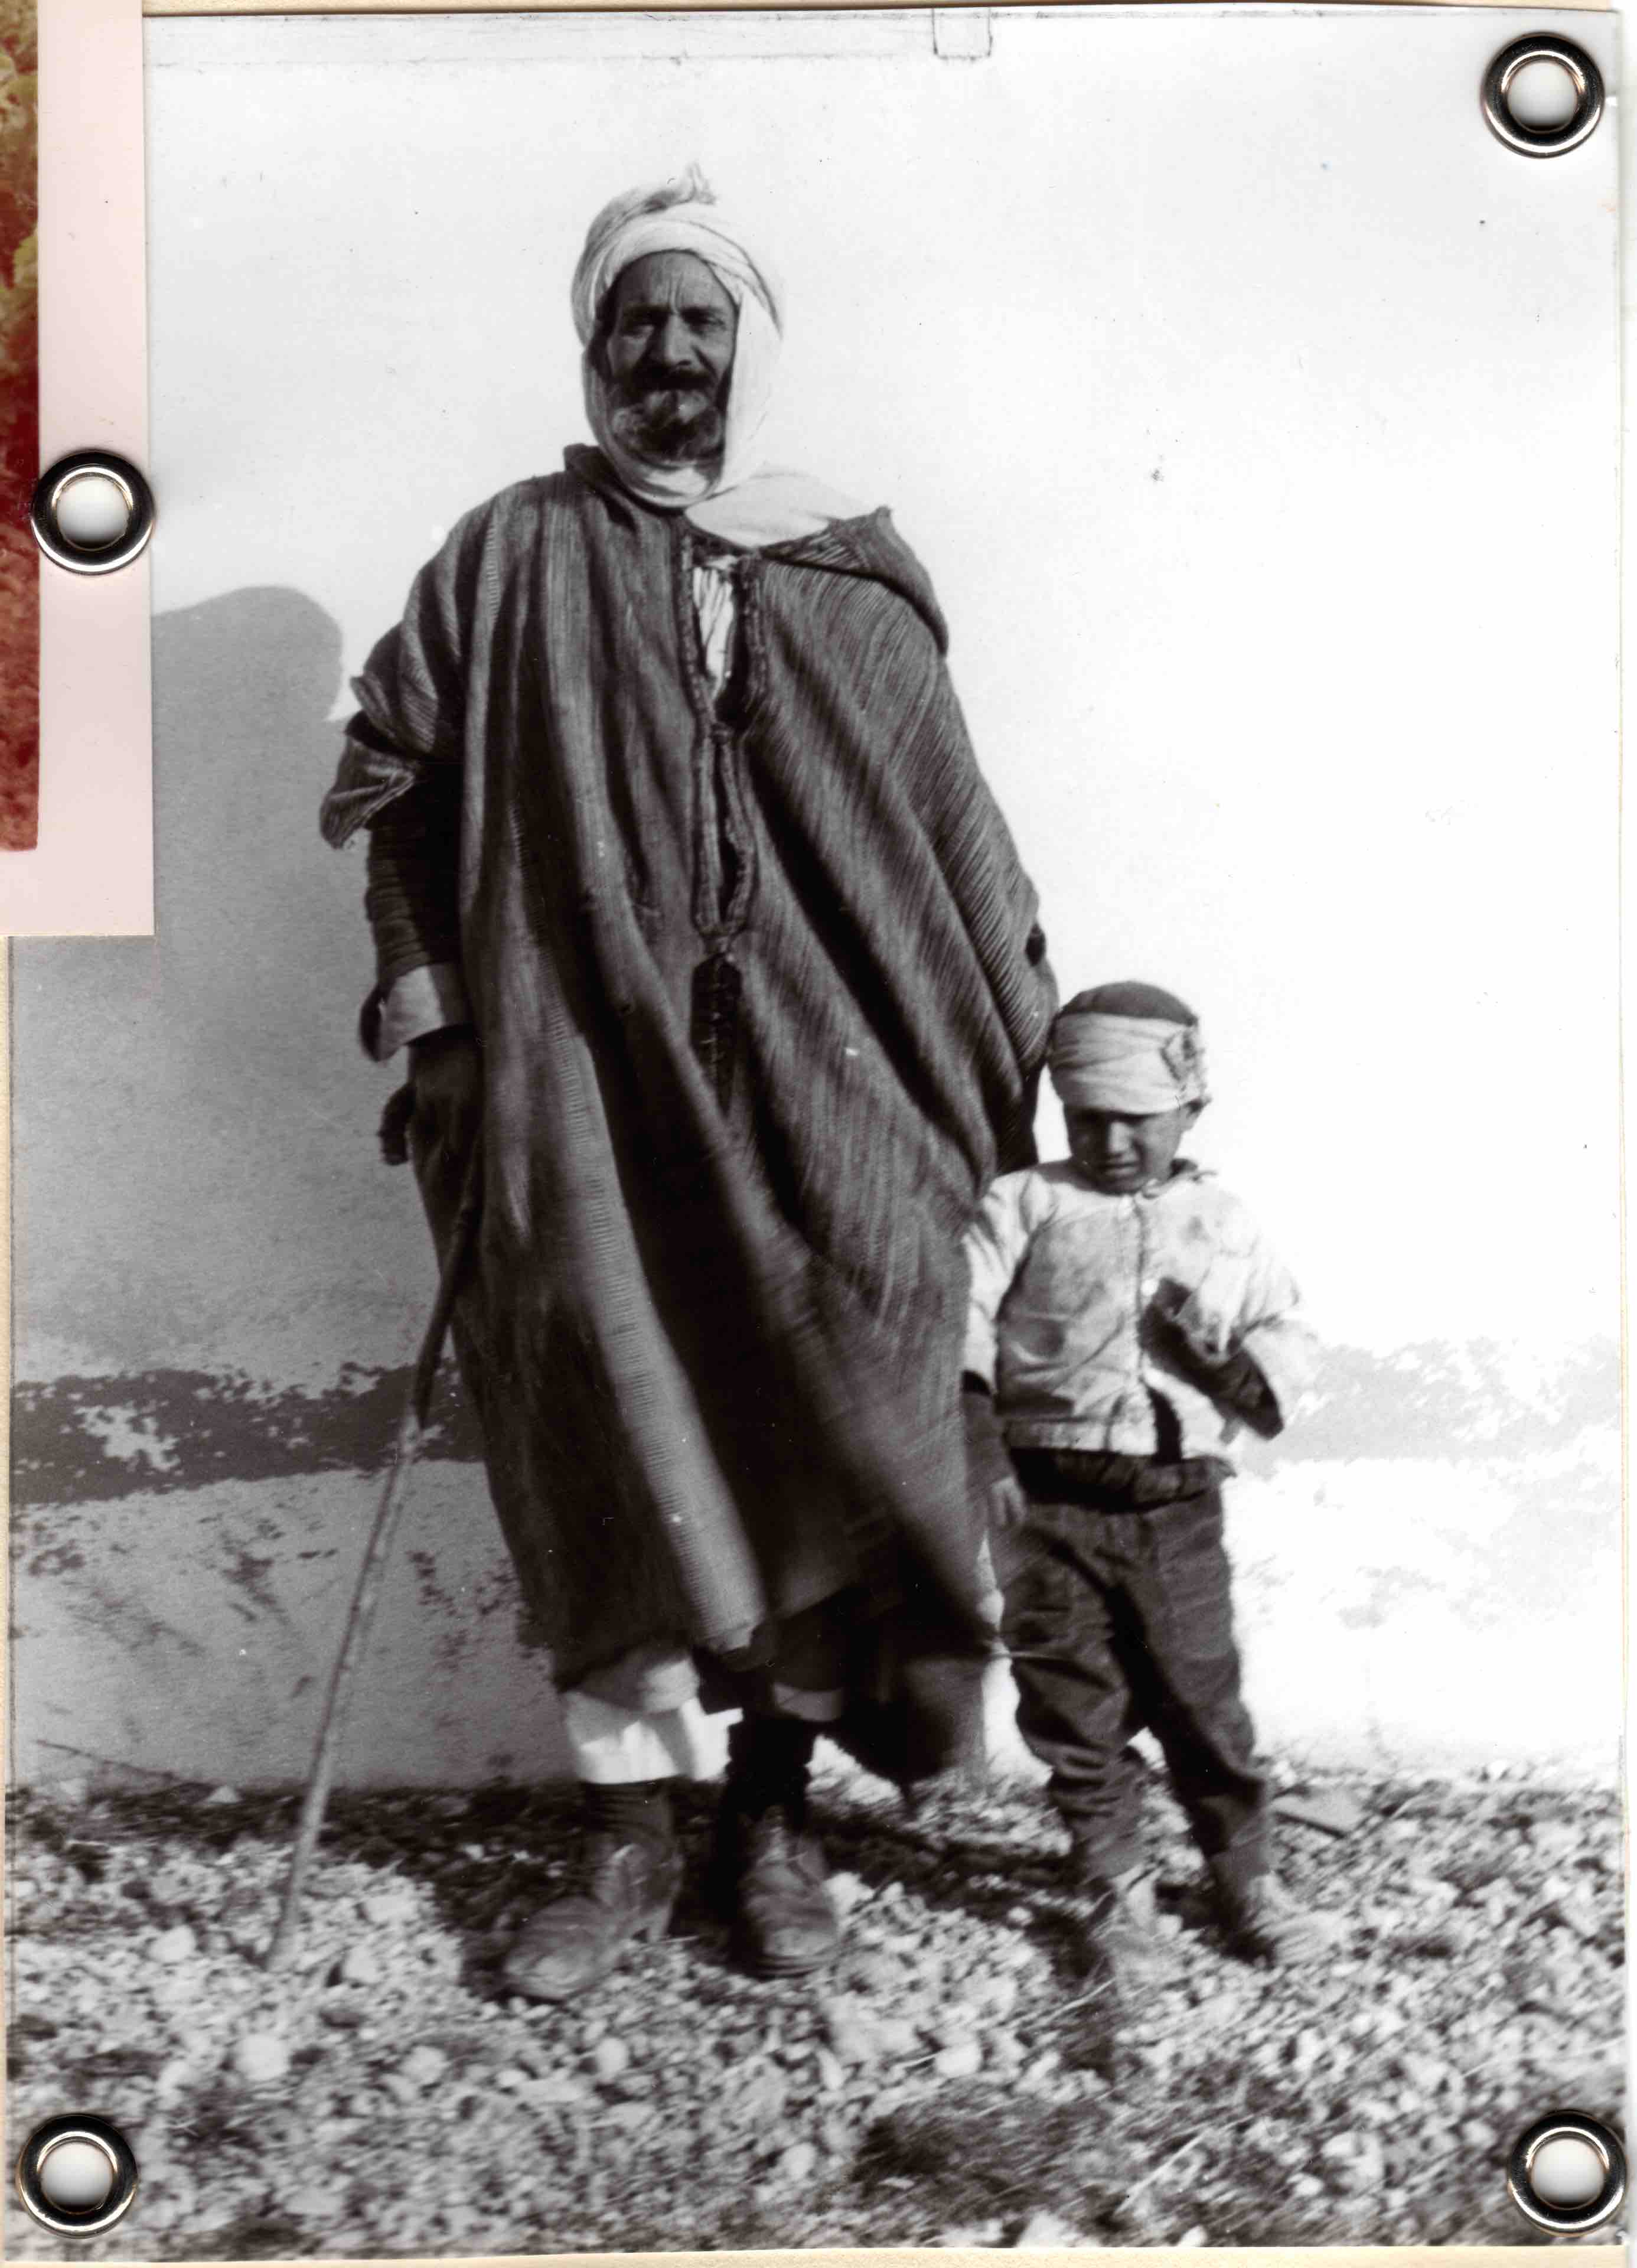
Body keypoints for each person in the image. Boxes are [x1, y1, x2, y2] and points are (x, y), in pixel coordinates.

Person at [320, 169, 1055, 2000]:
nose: (668, 354)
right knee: (595, 1414)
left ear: (749, 350)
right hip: (580, 1086)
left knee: (848, 1385)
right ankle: (631, 1833)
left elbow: (947, 839)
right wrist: (448, 1026)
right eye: (636, 321)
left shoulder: (842, 568)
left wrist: (1020, 1053)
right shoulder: (504, 557)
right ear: (592, 348)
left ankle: (774, 1818)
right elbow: (399, 807)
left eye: (698, 321)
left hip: (825, 1085)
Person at [960, 982, 1341, 1997]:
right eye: (1088, 1119)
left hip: (1175, 1507)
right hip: (1046, 1509)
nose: (1114, 1142)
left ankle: (1246, 1879)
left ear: (1190, 1111)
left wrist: (1220, 1363)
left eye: (1137, 1120)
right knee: (1073, 1706)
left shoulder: (1222, 1221)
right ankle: (1113, 1884)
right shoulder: (1024, 1203)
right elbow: (963, 1323)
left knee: (1201, 1699)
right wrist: (983, 1450)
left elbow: (1290, 1336)